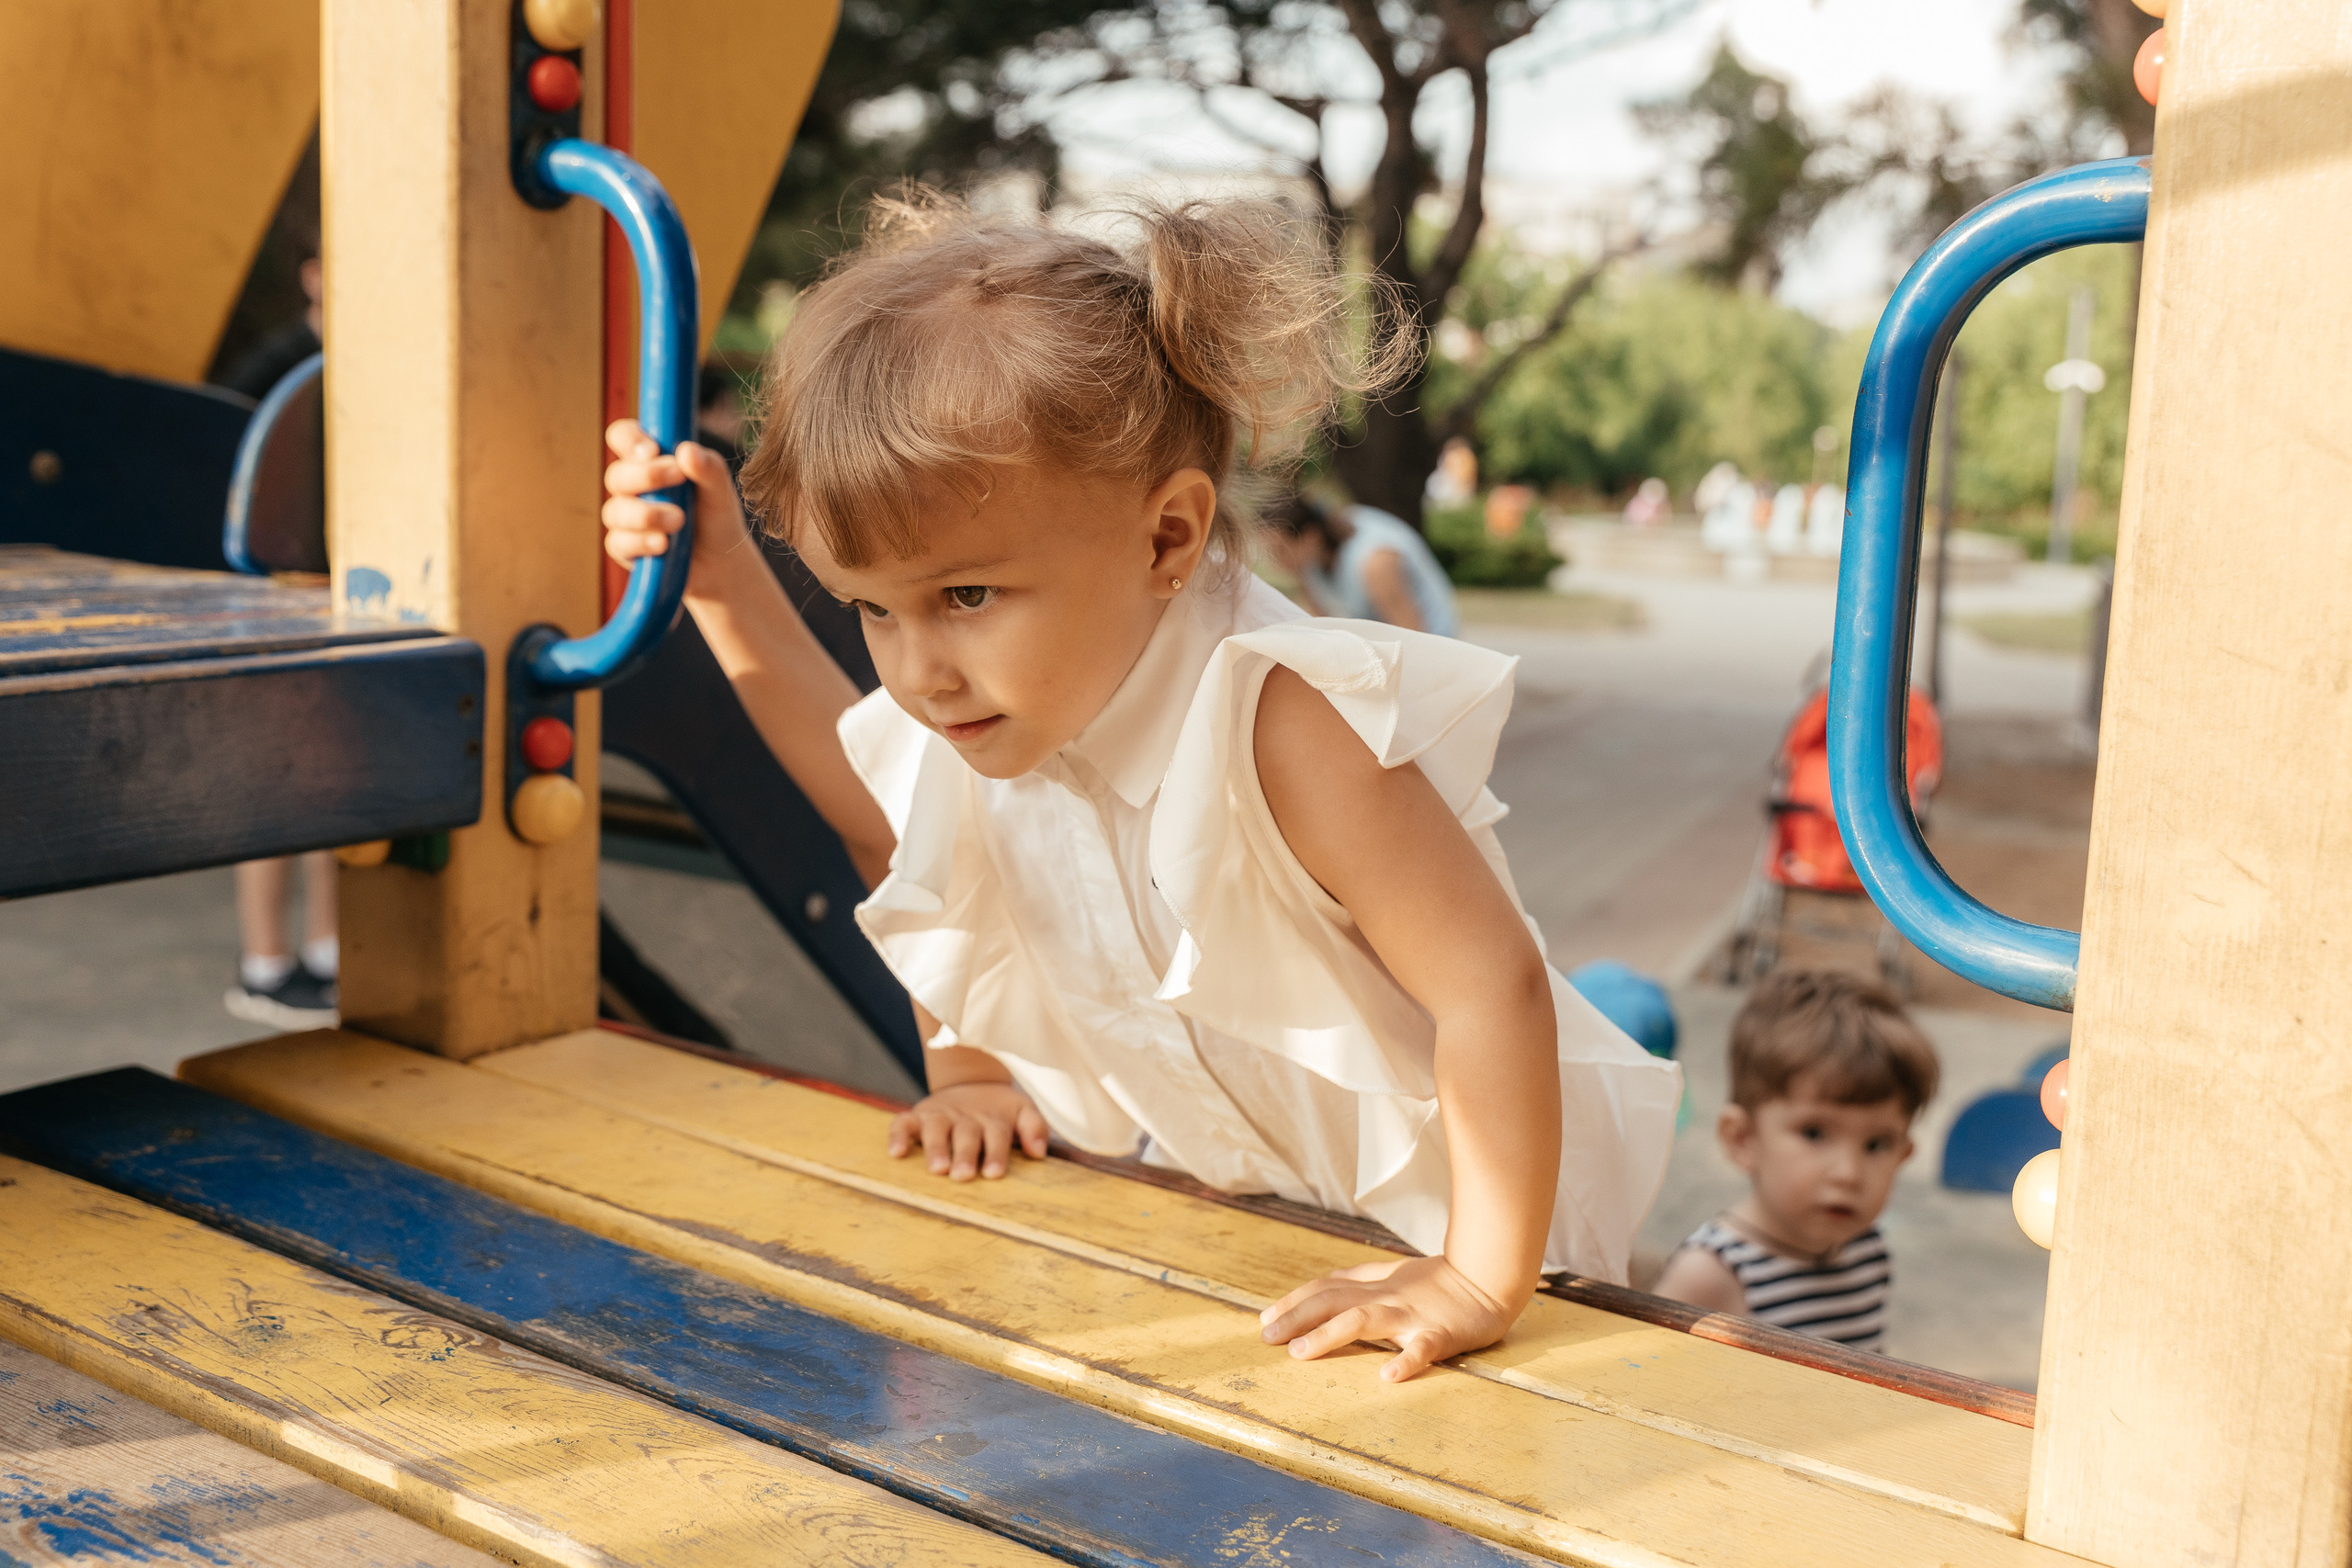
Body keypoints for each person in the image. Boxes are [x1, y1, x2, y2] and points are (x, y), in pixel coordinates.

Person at [597, 191, 1679, 1383]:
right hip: (1277, 1227)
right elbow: (892, 825)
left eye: (964, 597)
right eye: (873, 608)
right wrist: (720, 581)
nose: (918, 672)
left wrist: (1479, 1272)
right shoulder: (1015, 696)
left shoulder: (1282, 718)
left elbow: (1491, 983)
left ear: (1167, 538)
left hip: (1484, 1226)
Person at [1652, 970, 1939, 1353]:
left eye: (1876, 1144)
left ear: (1904, 1155)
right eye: (1815, 1134)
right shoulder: (1713, 1273)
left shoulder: (1866, 1251)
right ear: (1743, 1138)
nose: (1848, 1174)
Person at [218, 233, 338, 1029]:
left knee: (334, 778)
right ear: (313, 275)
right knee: (276, 785)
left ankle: (329, 950)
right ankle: (265, 963)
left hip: (334, 594)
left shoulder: (360, 364)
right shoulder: (284, 364)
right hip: (275, 596)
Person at [1263, 495, 1459, 637]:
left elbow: (1416, 636)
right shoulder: (1308, 564)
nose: (1274, 562)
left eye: (1279, 550)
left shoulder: (1376, 562)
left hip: (1432, 655)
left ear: (1311, 537)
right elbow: (1323, 628)